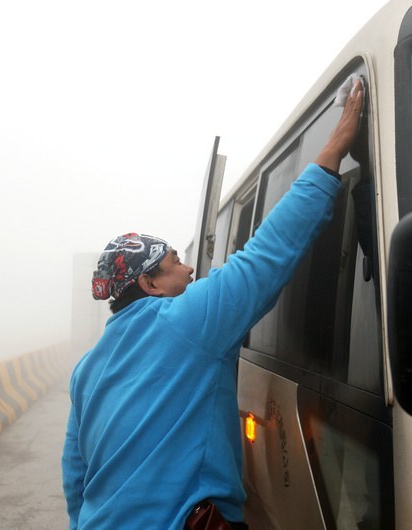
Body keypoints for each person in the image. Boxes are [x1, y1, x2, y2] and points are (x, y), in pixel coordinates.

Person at [62, 78, 364, 530]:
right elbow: (269, 252)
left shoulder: (87, 369)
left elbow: (75, 476)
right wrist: (335, 147)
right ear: (150, 283)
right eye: (175, 263)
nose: (189, 270)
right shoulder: (187, 321)